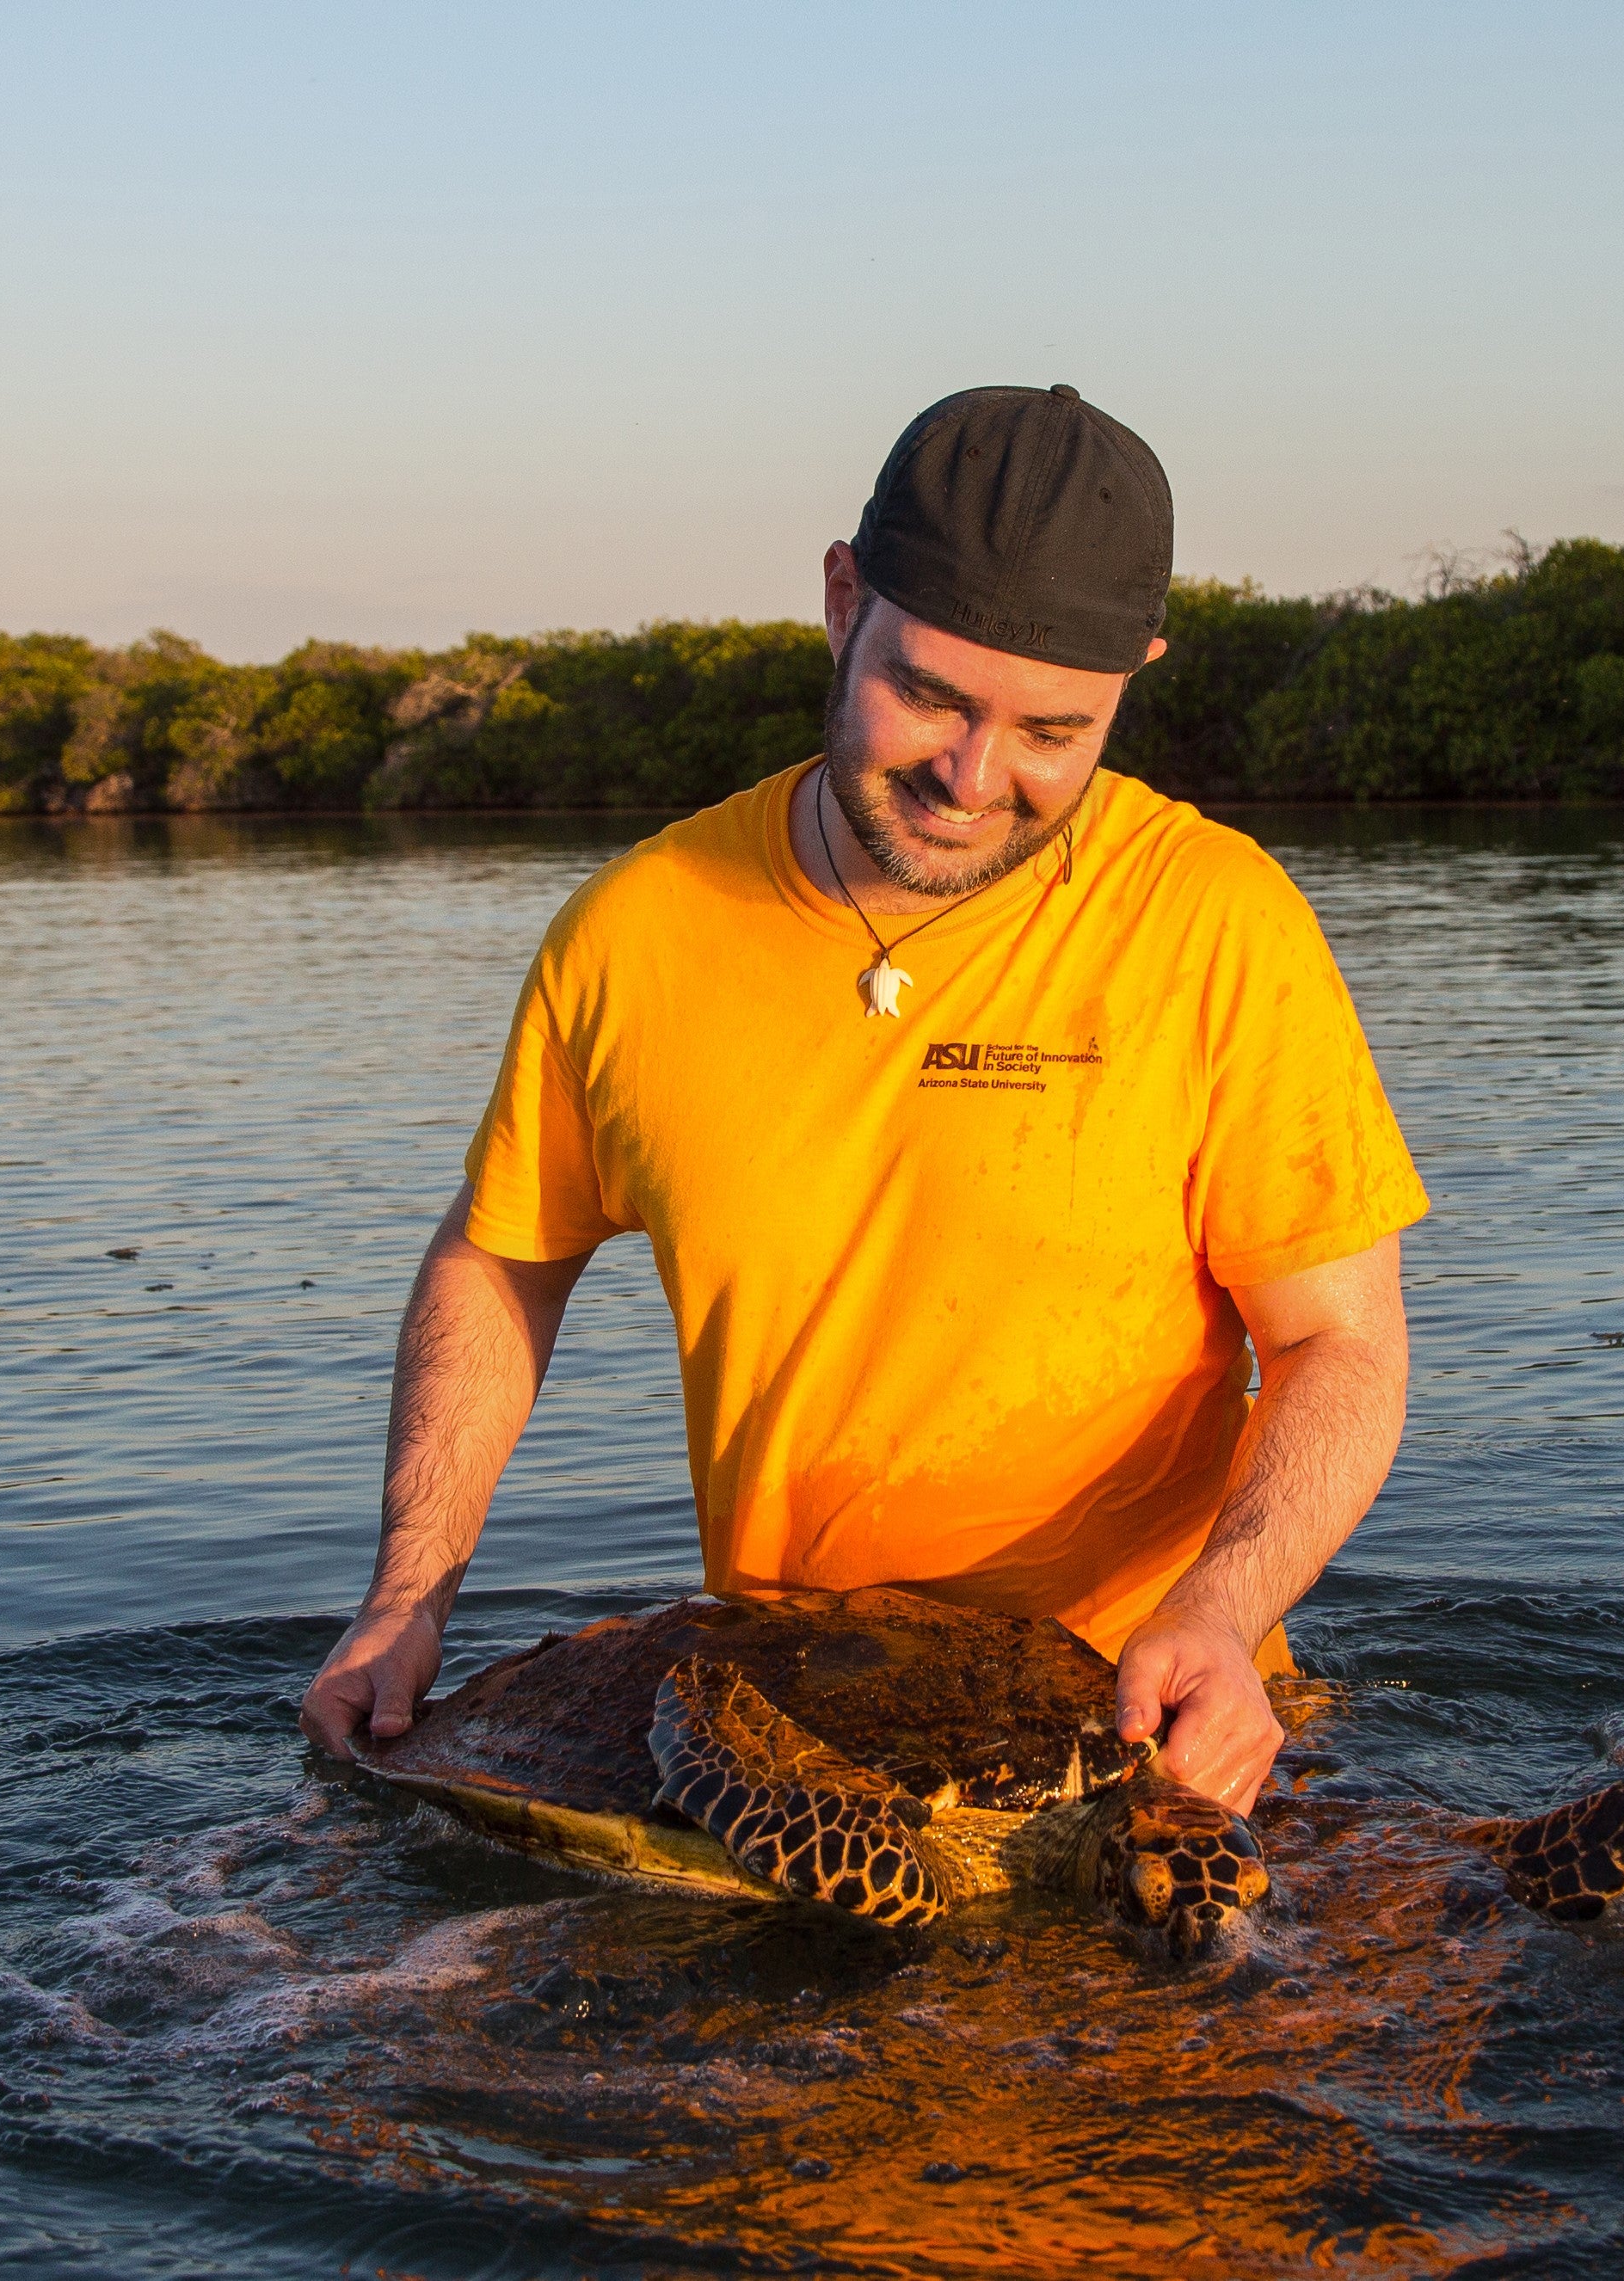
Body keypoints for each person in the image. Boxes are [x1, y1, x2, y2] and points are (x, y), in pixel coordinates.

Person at [298, 384, 1429, 1813]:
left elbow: (1340, 1346)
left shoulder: (1218, 927)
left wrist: (1222, 1609)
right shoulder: (636, 931)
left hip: (1152, 1741)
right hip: (783, 1754)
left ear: (1135, 676)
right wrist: (409, 1596)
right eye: (933, 696)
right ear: (843, 599)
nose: (973, 778)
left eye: (1051, 733)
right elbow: (502, 1256)